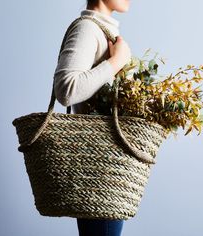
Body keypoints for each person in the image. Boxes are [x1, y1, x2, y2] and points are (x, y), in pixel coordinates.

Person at [53, 0, 131, 235]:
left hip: (109, 166)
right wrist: (116, 61)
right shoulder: (87, 29)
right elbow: (66, 89)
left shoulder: (103, 29)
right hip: (98, 168)